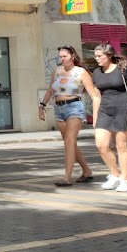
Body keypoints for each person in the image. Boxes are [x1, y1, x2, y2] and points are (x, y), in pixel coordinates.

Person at [90, 44, 127, 192]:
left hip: (123, 109)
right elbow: (97, 96)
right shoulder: (96, 73)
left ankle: (124, 180)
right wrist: (95, 117)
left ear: (109, 55)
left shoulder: (123, 69)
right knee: (101, 145)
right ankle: (115, 175)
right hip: (105, 110)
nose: (96, 58)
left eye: (99, 56)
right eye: (95, 56)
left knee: (121, 146)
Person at [39, 46, 95, 186]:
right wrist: (42, 105)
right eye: (60, 57)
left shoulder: (81, 72)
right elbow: (51, 90)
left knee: (69, 142)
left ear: (73, 56)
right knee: (71, 144)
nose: (62, 59)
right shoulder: (57, 71)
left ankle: (67, 177)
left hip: (74, 107)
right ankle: (87, 171)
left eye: (65, 56)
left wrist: (97, 112)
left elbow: (93, 94)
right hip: (59, 109)